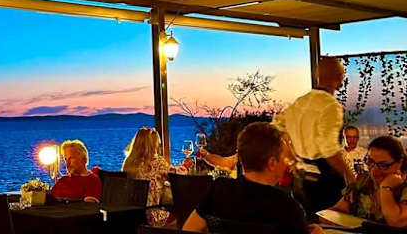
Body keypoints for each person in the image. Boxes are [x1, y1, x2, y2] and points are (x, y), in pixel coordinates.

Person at [182, 122, 323, 234]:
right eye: (283, 158)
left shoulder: (218, 190)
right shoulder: (288, 208)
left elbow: (188, 229)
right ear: (272, 163)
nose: (286, 164)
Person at [273, 56, 356, 214]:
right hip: (326, 183)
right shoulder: (330, 106)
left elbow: (276, 129)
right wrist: (351, 177)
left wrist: (292, 158)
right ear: (339, 77)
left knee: (307, 221)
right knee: (331, 222)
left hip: (302, 179)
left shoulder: (300, 102)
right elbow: (329, 151)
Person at [324, 135, 407, 227]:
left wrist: (386, 188)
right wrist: (327, 217)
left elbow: (397, 222)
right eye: (370, 161)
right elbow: (338, 210)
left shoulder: (404, 186)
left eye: (383, 165)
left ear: (399, 163)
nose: (374, 170)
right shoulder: (364, 180)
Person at [122, 127, 170, 225]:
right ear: (154, 145)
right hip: (152, 215)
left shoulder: (128, 162)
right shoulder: (159, 163)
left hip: (131, 216)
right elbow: (172, 179)